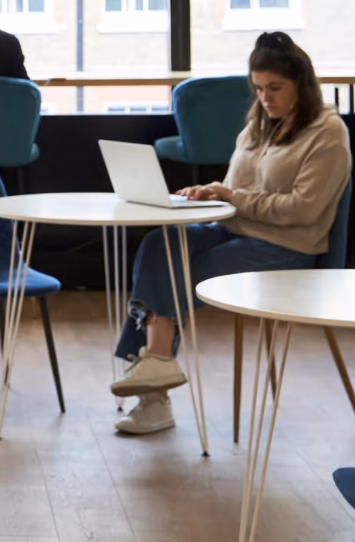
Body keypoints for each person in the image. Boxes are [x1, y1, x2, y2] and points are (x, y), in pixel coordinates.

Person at [110, 32, 352, 435]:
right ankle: (158, 365)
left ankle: (154, 392)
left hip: (287, 248)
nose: (265, 98)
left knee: (178, 272)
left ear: (302, 85)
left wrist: (234, 197)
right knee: (162, 242)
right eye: (258, 89)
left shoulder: (327, 134)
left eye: (275, 88)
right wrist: (211, 193)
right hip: (233, 229)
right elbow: (236, 187)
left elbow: (302, 209)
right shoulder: (258, 125)